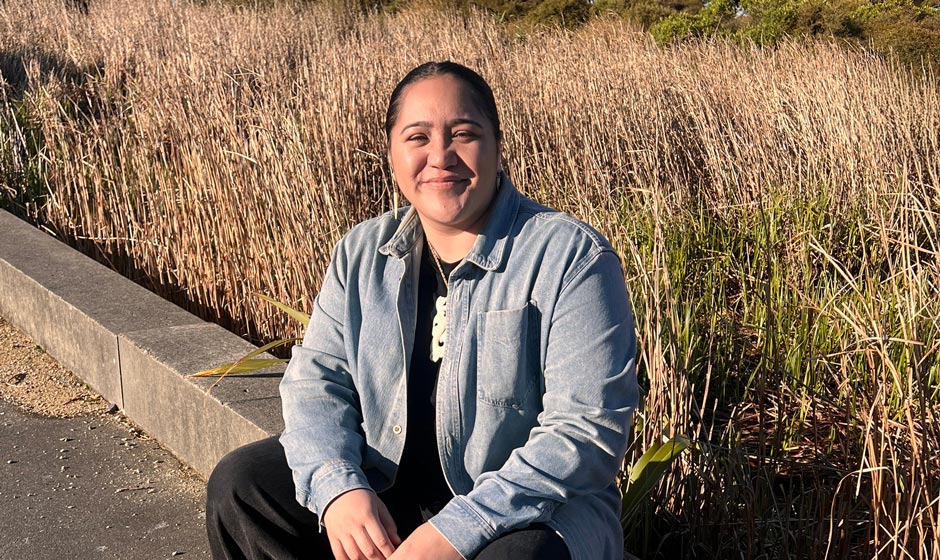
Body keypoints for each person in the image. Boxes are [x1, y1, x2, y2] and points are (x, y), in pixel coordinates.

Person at [206, 61, 639, 560]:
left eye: (464, 134)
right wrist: (340, 488)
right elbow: (316, 381)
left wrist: (458, 529)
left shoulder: (570, 258)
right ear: (391, 153)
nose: (441, 156)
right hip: (389, 486)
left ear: (497, 146)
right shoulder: (363, 252)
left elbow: (585, 430)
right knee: (243, 487)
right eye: (417, 137)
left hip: (524, 513)